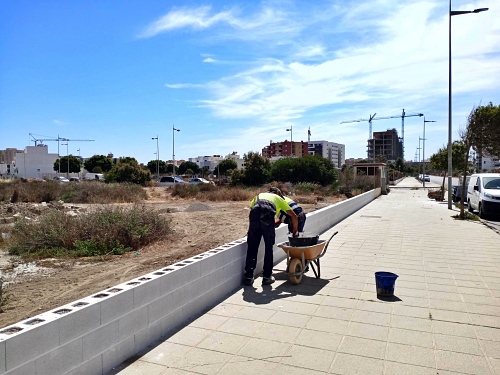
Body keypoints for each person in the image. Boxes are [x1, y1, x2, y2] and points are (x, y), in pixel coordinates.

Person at [244, 187, 298, 286]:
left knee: (252, 248)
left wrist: (252, 229)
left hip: (254, 218)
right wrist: (295, 231)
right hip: (268, 218)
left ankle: (248, 277)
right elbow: (294, 216)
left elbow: (251, 214)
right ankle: (267, 277)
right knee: (269, 248)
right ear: (277, 193)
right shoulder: (278, 198)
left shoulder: (258, 196)